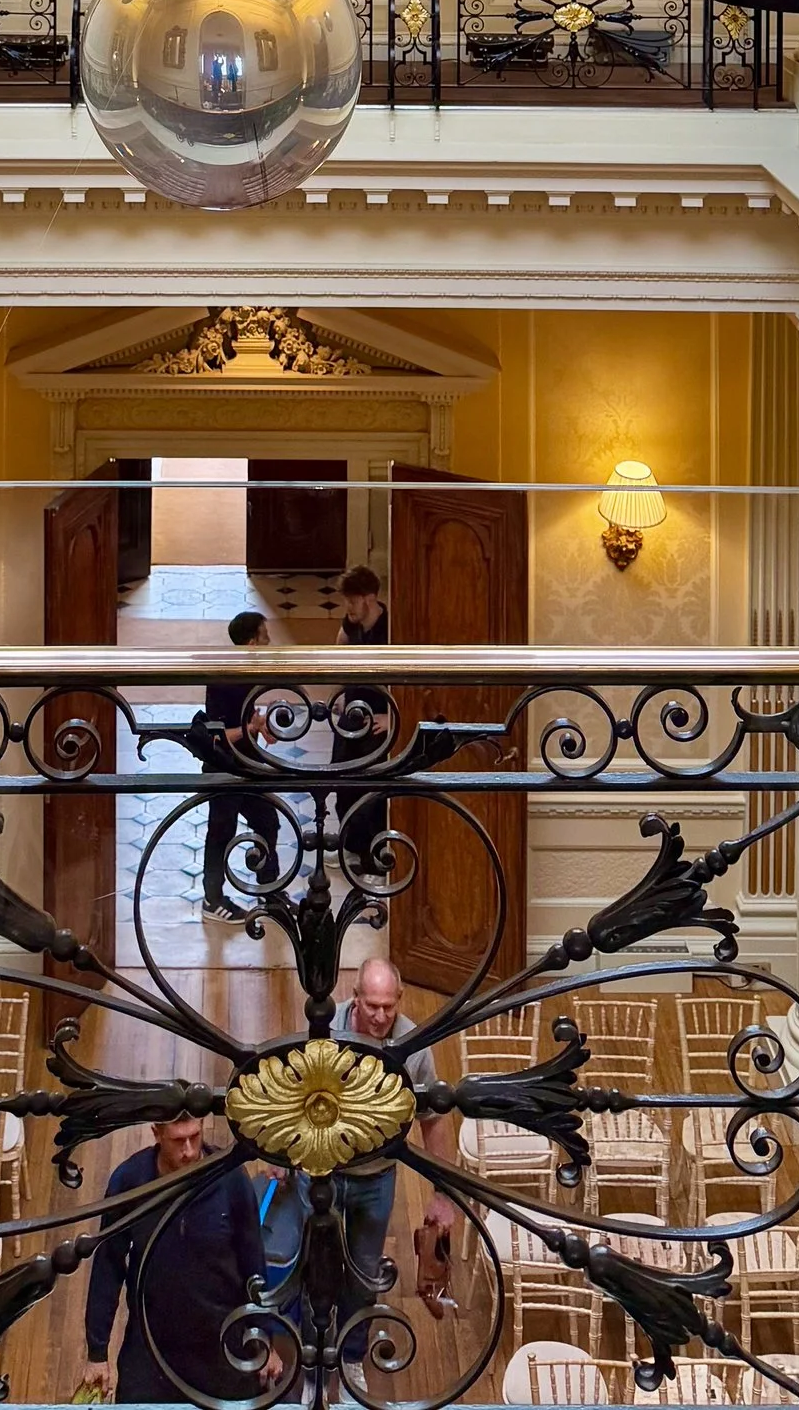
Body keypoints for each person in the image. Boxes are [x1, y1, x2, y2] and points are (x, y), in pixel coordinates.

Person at [78, 1114, 267, 1404]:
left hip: (220, 1341)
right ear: (156, 1134)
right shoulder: (130, 1182)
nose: (189, 1151)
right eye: (178, 1141)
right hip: (151, 1343)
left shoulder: (231, 1179)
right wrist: (97, 1352)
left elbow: (254, 1264)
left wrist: (263, 1338)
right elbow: (108, 1266)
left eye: (195, 1137)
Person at [336, 956, 458, 1360]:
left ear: (400, 999)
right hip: (322, 1172)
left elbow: (433, 1119)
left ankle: (352, 1355)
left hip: (377, 1177)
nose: (380, 1016)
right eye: (372, 1005)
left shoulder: (414, 1044)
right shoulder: (325, 1030)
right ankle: (313, 1349)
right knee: (313, 1260)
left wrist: (442, 1194)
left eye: (389, 1006)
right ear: (355, 997)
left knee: (364, 1270)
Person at [199, 610, 282, 920]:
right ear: (252, 643)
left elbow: (247, 718)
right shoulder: (224, 680)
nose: (269, 642)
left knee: (267, 821)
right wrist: (250, 729)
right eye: (265, 636)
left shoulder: (247, 674)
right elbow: (217, 735)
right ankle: (212, 900)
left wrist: (259, 726)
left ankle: (270, 890)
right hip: (223, 767)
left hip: (246, 765)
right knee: (221, 831)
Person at [332, 568, 391, 904]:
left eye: (352, 601)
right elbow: (340, 647)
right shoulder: (352, 623)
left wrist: (392, 717)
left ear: (369, 598)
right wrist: (341, 692)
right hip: (352, 715)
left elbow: (409, 676)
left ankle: (376, 863)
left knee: (373, 794)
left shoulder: (392, 630)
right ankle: (352, 847)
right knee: (343, 784)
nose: (348, 607)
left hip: (378, 720)